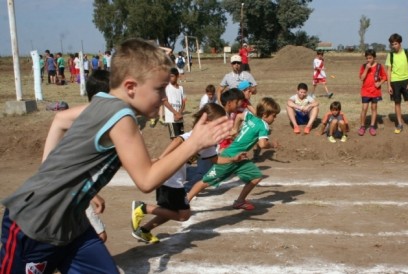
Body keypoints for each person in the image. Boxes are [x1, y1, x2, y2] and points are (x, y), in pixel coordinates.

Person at [0, 38, 232, 273]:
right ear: (131, 87)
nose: (164, 96)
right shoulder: (121, 116)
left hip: (72, 225)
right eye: (158, 89)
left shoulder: (104, 102)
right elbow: (147, 180)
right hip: (36, 225)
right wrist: (194, 143)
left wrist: (66, 184)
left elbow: (60, 120)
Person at [131, 103, 246, 243]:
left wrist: (233, 159)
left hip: (175, 179)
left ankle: (144, 230)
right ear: (208, 122)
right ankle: (142, 207)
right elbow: (178, 139)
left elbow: (215, 160)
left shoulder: (207, 142)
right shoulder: (193, 135)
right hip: (170, 178)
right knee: (183, 215)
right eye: (219, 123)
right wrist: (161, 158)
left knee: (172, 211)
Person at [42, 69, 112, 243]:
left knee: (93, 236)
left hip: (71, 191)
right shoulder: (81, 126)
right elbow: (59, 168)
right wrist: (91, 195)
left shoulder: (91, 122)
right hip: (67, 192)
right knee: (98, 236)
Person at [187, 97, 281, 211]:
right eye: (274, 115)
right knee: (205, 182)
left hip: (241, 157)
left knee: (255, 177)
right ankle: (185, 201)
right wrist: (272, 144)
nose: (274, 118)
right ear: (265, 114)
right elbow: (262, 144)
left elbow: (239, 116)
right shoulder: (264, 126)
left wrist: (235, 129)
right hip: (230, 156)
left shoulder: (251, 116)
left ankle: (240, 201)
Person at [358, 49, 387, 136]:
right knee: (364, 108)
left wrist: (380, 83)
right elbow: (362, 78)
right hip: (365, 91)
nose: (368, 60)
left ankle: (372, 126)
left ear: (374, 57)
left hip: (375, 91)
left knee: (374, 108)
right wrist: (366, 69)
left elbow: (385, 77)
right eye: (367, 58)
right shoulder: (364, 66)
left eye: (370, 58)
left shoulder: (379, 66)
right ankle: (362, 126)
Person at [217, 88, 245, 152]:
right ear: (229, 103)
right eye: (236, 102)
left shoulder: (229, 114)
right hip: (215, 150)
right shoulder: (221, 116)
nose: (239, 105)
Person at [163, 67, 186, 139]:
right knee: (174, 139)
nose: (170, 78)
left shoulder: (181, 88)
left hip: (179, 118)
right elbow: (164, 101)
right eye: (169, 76)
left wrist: (180, 113)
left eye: (172, 76)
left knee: (181, 138)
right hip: (171, 118)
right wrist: (175, 113)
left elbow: (183, 102)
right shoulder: (167, 87)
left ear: (177, 76)